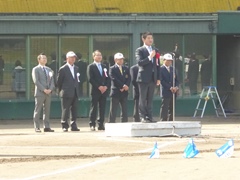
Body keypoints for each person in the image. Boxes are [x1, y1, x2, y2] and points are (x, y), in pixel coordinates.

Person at [135, 31, 160, 123]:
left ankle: (150, 116)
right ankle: (142, 117)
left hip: (153, 78)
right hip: (143, 77)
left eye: (151, 38)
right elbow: (140, 62)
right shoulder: (140, 50)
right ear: (143, 39)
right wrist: (149, 57)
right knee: (142, 98)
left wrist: (158, 78)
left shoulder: (155, 50)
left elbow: (157, 65)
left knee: (150, 98)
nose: (150, 40)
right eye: (148, 38)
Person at [57, 51, 80, 132]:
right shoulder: (63, 69)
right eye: (71, 57)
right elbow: (59, 82)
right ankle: (64, 125)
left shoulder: (76, 68)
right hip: (66, 92)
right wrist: (61, 91)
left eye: (74, 57)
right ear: (67, 58)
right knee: (65, 109)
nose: (73, 59)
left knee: (74, 109)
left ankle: (74, 125)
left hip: (75, 92)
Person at [87, 50, 110, 131]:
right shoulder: (91, 66)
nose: (99, 56)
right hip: (95, 90)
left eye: (100, 55)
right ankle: (92, 124)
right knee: (94, 108)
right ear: (94, 57)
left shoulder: (104, 66)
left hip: (104, 91)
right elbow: (90, 79)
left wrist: (106, 86)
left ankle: (101, 124)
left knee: (102, 108)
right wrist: (99, 87)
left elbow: (108, 78)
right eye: (97, 55)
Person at [32, 53, 55, 132]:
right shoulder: (36, 69)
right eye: (43, 58)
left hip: (48, 93)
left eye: (45, 58)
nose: (45, 59)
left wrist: (50, 89)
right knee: (38, 110)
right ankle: (37, 127)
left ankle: (47, 126)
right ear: (39, 60)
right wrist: (44, 89)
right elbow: (36, 81)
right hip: (40, 93)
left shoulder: (49, 69)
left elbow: (52, 81)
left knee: (47, 110)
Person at [109, 53, 131, 123]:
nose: (121, 60)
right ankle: (111, 123)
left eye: (122, 59)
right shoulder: (112, 68)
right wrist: (122, 86)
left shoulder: (126, 68)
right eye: (119, 59)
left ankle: (124, 123)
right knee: (113, 109)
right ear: (115, 60)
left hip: (124, 92)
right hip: (116, 91)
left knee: (124, 109)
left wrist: (126, 86)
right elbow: (114, 78)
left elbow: (129, 78)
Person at [160, 53, 179, 121]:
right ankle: (163, 120)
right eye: (167, 60)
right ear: (164, 60)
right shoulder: (161, 69)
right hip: (166, 91)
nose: (169, 62)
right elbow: (162, 81)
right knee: (165, 106)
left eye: (170, 60)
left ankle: (171, 120)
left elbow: (177, 80)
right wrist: (170, 87)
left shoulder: (173, 69)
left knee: (172, 107)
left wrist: (176, 87)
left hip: (173, 92)